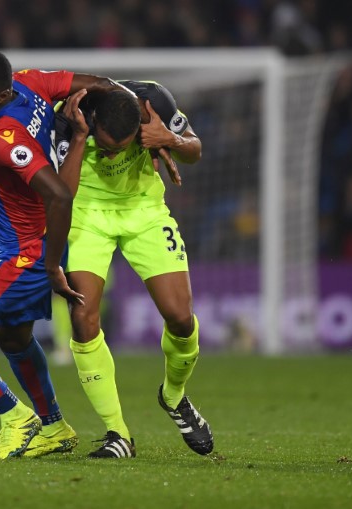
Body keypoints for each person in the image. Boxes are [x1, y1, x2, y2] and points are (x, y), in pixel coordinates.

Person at [0, 50, 124, 460]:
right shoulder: (31, 82)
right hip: (16, 244)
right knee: (13, 337)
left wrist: (51, 266)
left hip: (24, 255)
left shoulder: (4, 138)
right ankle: (54, 427)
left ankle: (15, 416)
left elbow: (59, 194)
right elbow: (98, 84)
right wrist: (131, 100)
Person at [52, 81, 213, 458]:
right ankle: (117, 433)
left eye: (119, 149)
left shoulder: (154, 100)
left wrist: (169, 140)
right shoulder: (66, 117)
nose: (109, 157)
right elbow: (61, 192)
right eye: (103, 147)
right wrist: (78, 140)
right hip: (87, 216)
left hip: (144, 212)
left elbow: (196, 150)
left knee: (180, 319)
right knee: (84, 317)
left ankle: (174, 397)